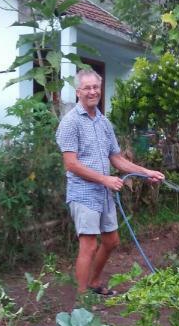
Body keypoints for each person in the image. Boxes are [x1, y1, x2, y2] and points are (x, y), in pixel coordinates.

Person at [56, 69, 164, 297]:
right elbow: (71, 164)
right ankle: (83, 298)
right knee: (89, 245)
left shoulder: (103, 123)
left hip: (104, 192)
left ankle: (94, 282)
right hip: (83, 192)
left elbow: (116, 158)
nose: (93, 91)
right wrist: (104, 178)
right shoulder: (70, 122)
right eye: (87, 88)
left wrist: (147, 172)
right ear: (78, 92)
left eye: (96, 87)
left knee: (112, 240)